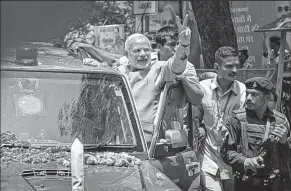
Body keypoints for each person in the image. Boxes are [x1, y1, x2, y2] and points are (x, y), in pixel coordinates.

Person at [117, 14, 204, 144]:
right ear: (127, 54)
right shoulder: (120, 72)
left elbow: (176, 66)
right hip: (122, 141)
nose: (143, 54)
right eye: (137, 50)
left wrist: (184, 44)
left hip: (149, 142)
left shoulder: (159, 68)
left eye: (146, 50)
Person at [220, 77, 291, 191]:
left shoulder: (280, 121)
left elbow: (287, 159)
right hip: (245, 184)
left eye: (254, 95)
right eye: (247, 94)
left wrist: (284, 142)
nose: (248, 98)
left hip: (272, 185)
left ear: (267, 97)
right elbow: (226, 152)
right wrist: (246, 162)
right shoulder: (237, 119)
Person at [193, 46, 246, 191]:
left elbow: (243, 122)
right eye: (229, 66)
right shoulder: (202, 89)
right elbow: (195, 117)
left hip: (231, 159)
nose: (234, 70)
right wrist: (200, 127)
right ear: (217, 68)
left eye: (236, 66)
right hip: (208, 157)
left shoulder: (242, 90)